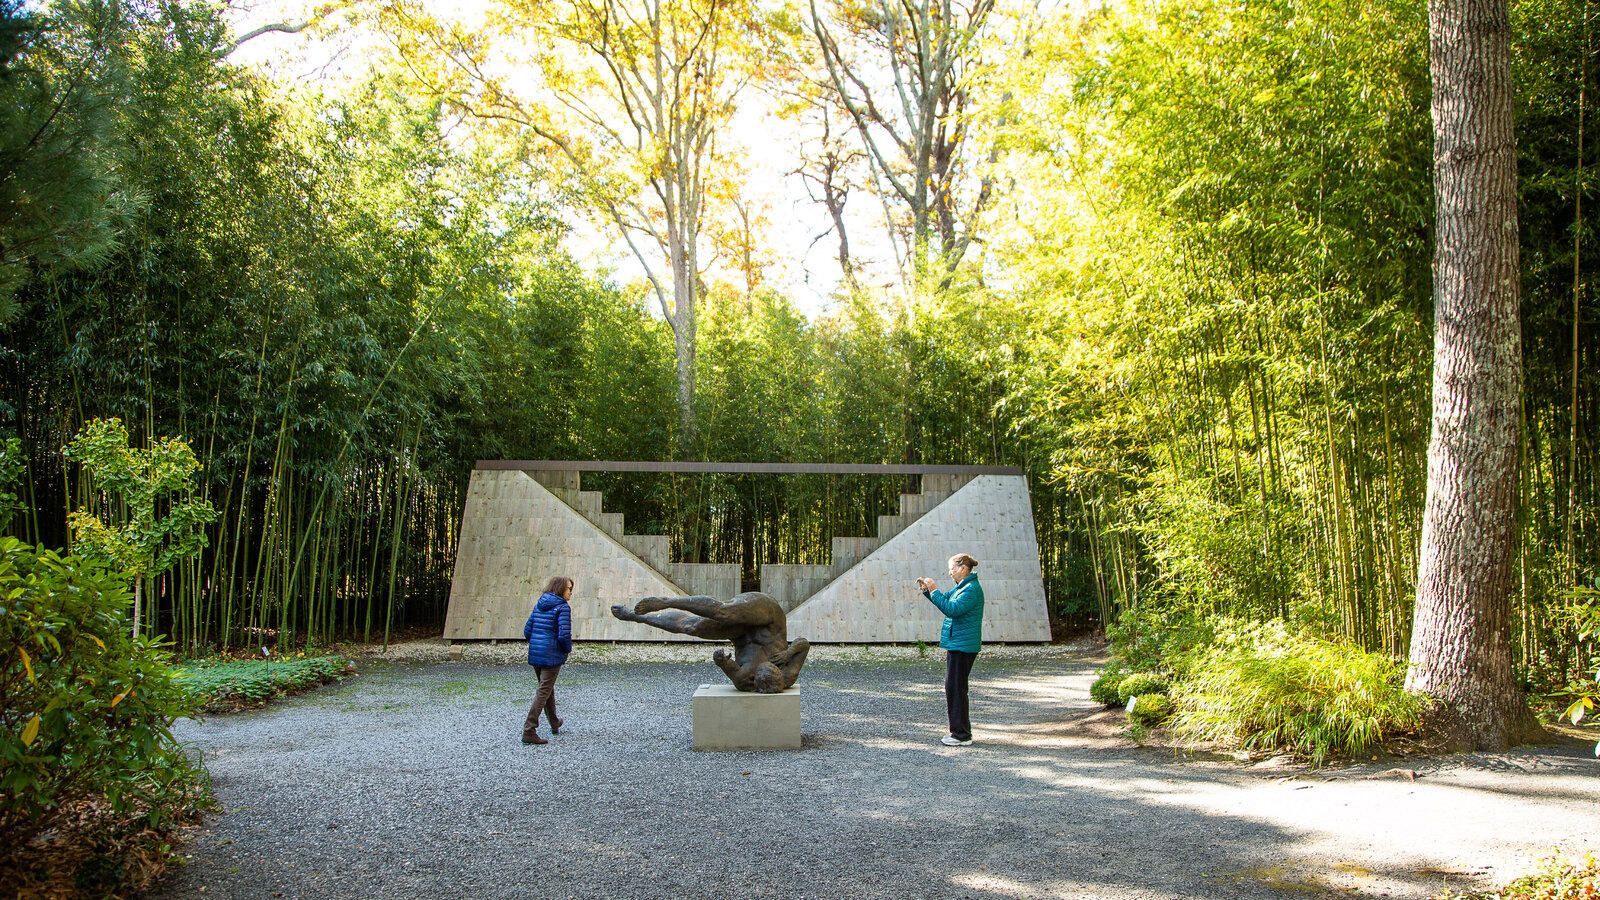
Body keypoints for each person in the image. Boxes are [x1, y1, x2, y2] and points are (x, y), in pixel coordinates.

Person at [611, 592, 810, 693]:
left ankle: (636, 617)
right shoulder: (787, 675)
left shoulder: (744, 681)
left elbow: (728, 666)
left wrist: (722, 661)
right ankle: (667, 601)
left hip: (741, 634)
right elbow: (803, 644)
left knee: (693, 627)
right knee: (724, 611)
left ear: (758, 686)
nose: (767, 669)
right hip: (769, 618)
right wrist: (788, 652)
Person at [917, 553, 984, 746]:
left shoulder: (971, 589)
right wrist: (929, 592)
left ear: (963, 568)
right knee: (954, 687)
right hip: (958, 643)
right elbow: (945, 600)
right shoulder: (962, 588)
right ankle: (960, 732)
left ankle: (961, 734)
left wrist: (934, 590)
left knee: (956, 688)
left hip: (963, 645)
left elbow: (952, 609)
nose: (950, 572)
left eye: (952, 568)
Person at [522, 576, 574, 745]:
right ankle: (529, 729)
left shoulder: (540, 603)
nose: (571, 593)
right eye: (569, 589)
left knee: (546, 689)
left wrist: (537, 643)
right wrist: (566, 650)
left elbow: (527, 630)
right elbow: (564, 635)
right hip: (552, 655)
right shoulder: (563, 607)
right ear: (560, 589)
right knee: (544, 691)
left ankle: (554, 722)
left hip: (536, 653)